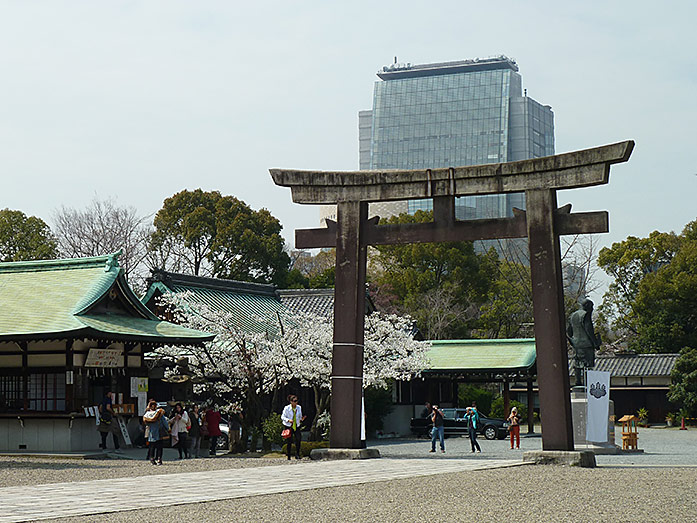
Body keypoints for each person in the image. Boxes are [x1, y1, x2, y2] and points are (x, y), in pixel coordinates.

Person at [567, 298, 601, 386]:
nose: (592, 309)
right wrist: (595, 343)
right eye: (591, 307)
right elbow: (589, 329)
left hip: (576, 343)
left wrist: (572, 340)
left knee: (577, 363)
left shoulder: (573, 315)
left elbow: (569, 330)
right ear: (587, 306)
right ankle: (588, 382)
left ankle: (577, 381)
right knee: (588, 364)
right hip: (586, 343)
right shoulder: (585, 315)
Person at [281, 394, 306, 460]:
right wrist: (288, 420)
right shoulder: (287, 408)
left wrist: (301, 419)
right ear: (291, 401)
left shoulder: (299, 407)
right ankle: (288, 455)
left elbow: (300, 416)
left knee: (298, 439)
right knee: (289, 441)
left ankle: (297, 454)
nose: (296, 402)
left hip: (296, 425)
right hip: (289, 426)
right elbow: (282, 417)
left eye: (297, 401)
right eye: (294, 401)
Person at [143, 400, 168, 465]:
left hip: (151, 432)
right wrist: (168, 429)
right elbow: (164, 422)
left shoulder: (147, 414)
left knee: (152, 446)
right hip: (159, 432)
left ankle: (152, 459)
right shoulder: (160, 413)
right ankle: (159, 459)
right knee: (159, 446)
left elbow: (146, 423)